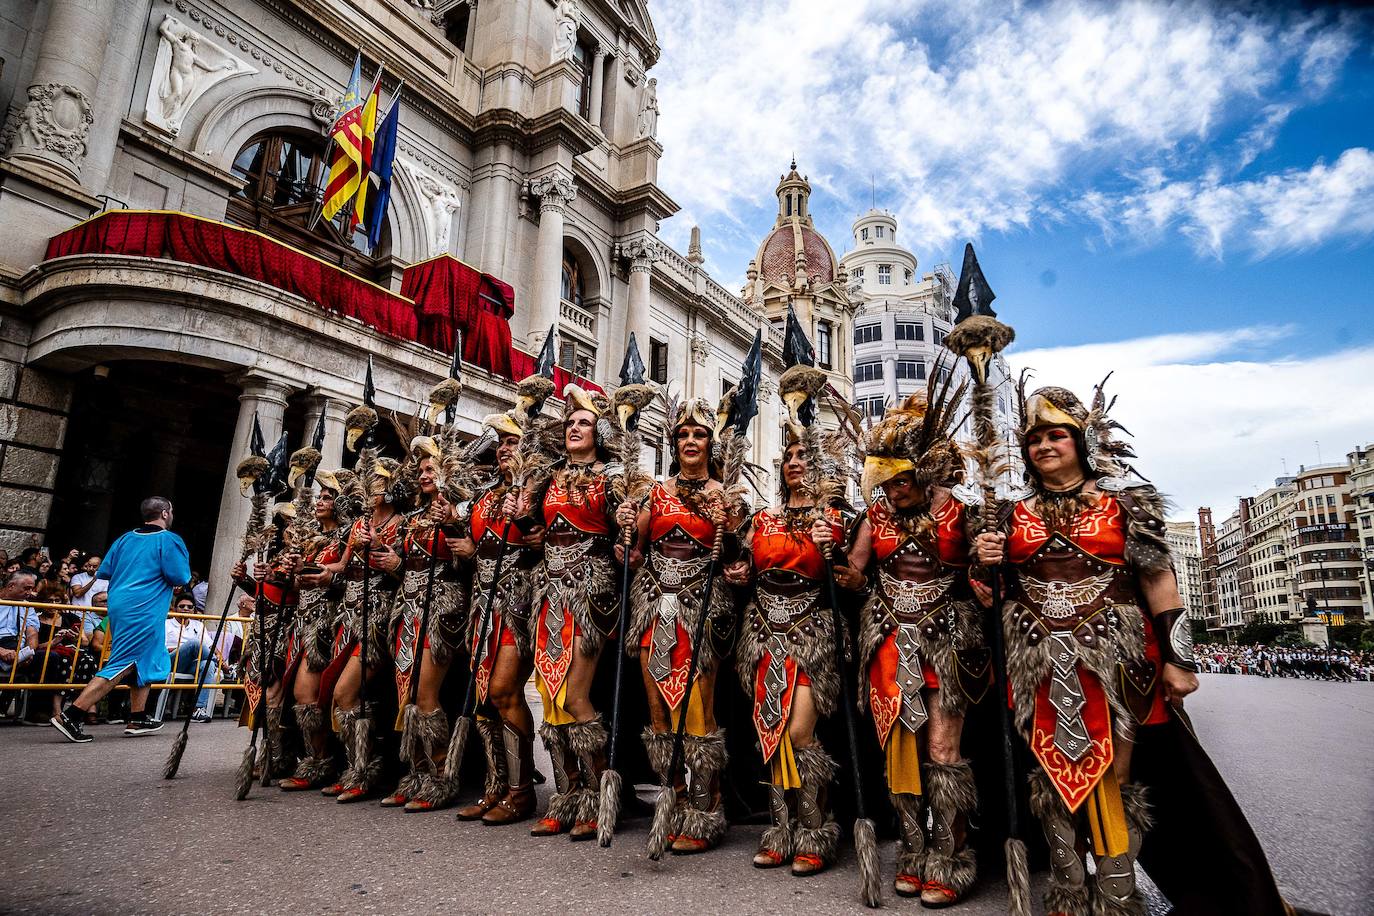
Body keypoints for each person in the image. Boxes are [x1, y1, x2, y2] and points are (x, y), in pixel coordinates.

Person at [973, 383, 1291, 916]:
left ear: (1082, 442)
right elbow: (992, 593)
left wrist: (1179, 659)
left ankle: (1117, 895)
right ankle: (1070, 892)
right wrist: (984, 562)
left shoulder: (1126, 505)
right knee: (1051, 777)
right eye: (1034, 440)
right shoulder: (1006, 515)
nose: (1044, 447)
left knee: (1118, 777)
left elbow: (1161, 584)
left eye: (1057, 436)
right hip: (1039, 664)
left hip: (1119, 662)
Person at [838, 388, 985, 905]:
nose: (894, 490)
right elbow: (855, 572)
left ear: (922, 473)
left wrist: (989, 569)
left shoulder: (962, 516)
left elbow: (985, 576)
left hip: (947, 643)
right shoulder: (873, 519)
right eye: (887, 481)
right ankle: (912, 847)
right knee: (901, 753)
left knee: (942, 751)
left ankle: (951, 852)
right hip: (888, 642)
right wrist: (838, 569)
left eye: (902, 479)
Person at [724, 437, 854, 877]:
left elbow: (857, 579)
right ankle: (781, 829)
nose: (796, 462)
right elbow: (743, 568)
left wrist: (829, 547)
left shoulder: (838, 520)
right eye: (791, 456)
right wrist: (739, 572)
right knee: (772, 733)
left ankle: (815, 830)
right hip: (763, 635)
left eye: (805, 456)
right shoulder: (762, 519)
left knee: (800, 733)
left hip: (811, 637)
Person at [617, 397, 739, 854]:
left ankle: (707, 810)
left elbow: (735, 560)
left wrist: (727, 527)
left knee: (697, 714)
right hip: (653, 609)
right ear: (674, 442)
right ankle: (675, 801)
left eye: (699, 433)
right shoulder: (656, 492)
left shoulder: (725, 496)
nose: (690, 440)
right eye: (683, 434)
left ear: (711, 443)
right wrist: (624, 530)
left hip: (699, 611)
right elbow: (631, 554)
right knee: (658, 714)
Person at [518, 387, 622, 839]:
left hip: (590, 591)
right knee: (551, 698)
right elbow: (536, 532)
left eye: (583, 421)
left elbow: (627, 535)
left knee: (575, 696)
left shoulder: (614, 476)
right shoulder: (549, 477)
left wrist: (628, 526)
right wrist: (525, 522)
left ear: (599, 429)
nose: (574, 428)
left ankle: (601, 800)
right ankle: (566, 796)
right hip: (549, 591)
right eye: (569, 423)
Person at [447, 413, 541, 825]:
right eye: (501, 442)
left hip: (518, 601)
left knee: (504, 690)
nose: (505, 448)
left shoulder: (539, 490)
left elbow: (543, 541)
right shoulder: (485, 495)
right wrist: (464, 543)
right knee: (485, 697)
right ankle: (495, 787)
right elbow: (472, 538)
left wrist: (524, 516)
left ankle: (521, 793)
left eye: (514, 441)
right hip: (481, 604)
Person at [51, 497, 191, 743]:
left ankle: (138, 717)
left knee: (144, 659)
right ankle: (72, 714)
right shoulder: (168, 540)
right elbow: (179, 576)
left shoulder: (124, 538)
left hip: (120, 604)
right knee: (126, 660)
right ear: (166, 513)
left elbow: (106, 570)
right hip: (144, 608)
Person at [380, 438, 469, 812]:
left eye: (431, 468)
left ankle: (441, 777)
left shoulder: (457, 514)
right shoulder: (413, 518)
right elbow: (403, 564)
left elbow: (467, 563)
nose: (424, 474)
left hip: (441, 609)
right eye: (420, 471)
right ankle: (416, 773)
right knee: (408, 696)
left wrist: (451, 525)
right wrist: (394, 565)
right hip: (409, 609)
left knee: (428, 695)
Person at [326, 455, 407, 803]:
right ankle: (356, 767)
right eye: (369, 480)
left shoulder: (401, 523)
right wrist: (314, 570)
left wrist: (381, 552)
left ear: (390, 488)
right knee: (341, 695)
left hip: (379, 619)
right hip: (348, 616)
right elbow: (342, 565)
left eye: (377, 481)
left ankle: (366, 769)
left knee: (346, 693)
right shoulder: (358, 523)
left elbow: (408, 571)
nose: (371, 486)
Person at [278, 469, 352, 792]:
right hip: (302, 621)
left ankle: (328, 760)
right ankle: (314, 759)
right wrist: (290, 573)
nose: (321, 501)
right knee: (300, 695)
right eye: (319, 496)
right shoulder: (311, 541)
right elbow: (297, 585)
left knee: (312, 694)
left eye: (328, 496)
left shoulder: (347, 536)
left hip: (329, 622)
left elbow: (351, 576)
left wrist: (328, 577)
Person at [165, 594, 223, 721]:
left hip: (192, 663)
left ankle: (198, 709)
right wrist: (183, 648)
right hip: (171, 660)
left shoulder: (198, 625)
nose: (186, 609)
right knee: (194, 644)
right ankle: (223, 666)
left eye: (190, 607)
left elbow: (210, 645)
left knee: (208, 665)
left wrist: (218, 654)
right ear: (175, 608)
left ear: (194, 609)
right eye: (182, 606)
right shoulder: (166, 623)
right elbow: (161, 648)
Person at [0, 570, 40, 684]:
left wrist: (28, 652)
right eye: (26, 588)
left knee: (49, 658)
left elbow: (32, 634)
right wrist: (1, 651)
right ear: (11, 586)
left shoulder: (27, 606)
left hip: (18, 647)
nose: (30, 592)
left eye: (32, 589)